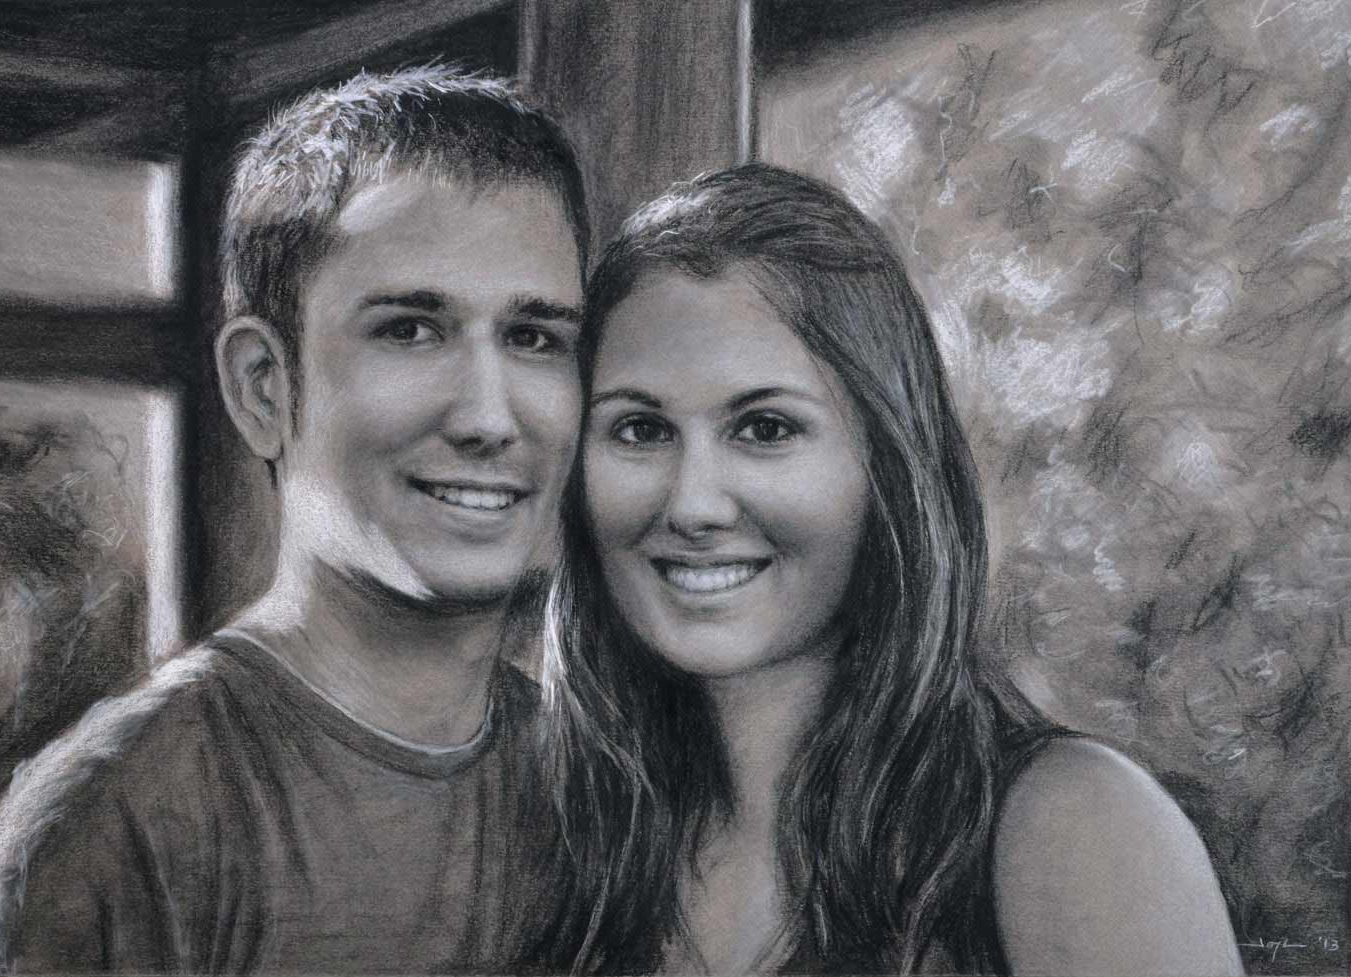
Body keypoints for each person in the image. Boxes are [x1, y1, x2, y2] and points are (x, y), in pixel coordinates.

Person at [0, 66, 587, 974]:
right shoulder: (120, 815)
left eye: (535, 338)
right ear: (264, 388)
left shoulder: (600, 795)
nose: (489, 416)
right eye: (409, 330)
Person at [529, 163, 1243, 975]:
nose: (692, 505)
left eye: (765, 428)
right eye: (640, 429)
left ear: (887, 463)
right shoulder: (568, 840)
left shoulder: (1075, 824)